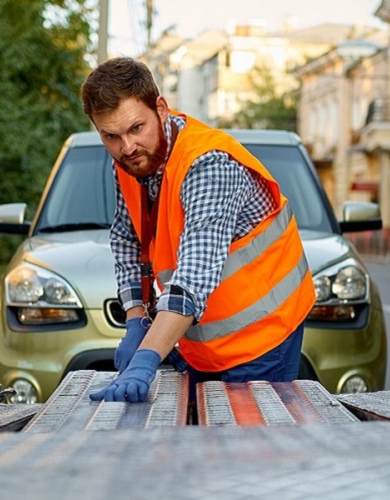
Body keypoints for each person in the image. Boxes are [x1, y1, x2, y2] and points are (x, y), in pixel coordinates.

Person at [81, 57, 317, 403]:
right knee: (200, 447)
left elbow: (193, 276)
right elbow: (128, 240)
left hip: (263, 336)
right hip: (200, 341)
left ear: (160, 109)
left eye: (136, 128)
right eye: (111, 136)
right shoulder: (131, 159)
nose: (126, 147)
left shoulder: (208, 164)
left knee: (248, 450)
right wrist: (135, 320)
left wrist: (146, 358)